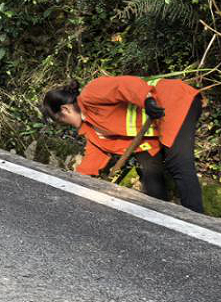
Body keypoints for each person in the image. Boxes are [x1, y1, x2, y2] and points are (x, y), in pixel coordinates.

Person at [42, 76, 205, 213]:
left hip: (172, 101)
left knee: (178, 164)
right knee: (149, 169)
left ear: (65, 109)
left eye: (60, 121)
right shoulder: (90, 128)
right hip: (152, 130)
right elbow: (95, 154)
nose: (66, 125)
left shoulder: (91, 93)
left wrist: (147, 99)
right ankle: (160, 217)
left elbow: (124, 85)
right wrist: (75, 184)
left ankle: (195, 223)